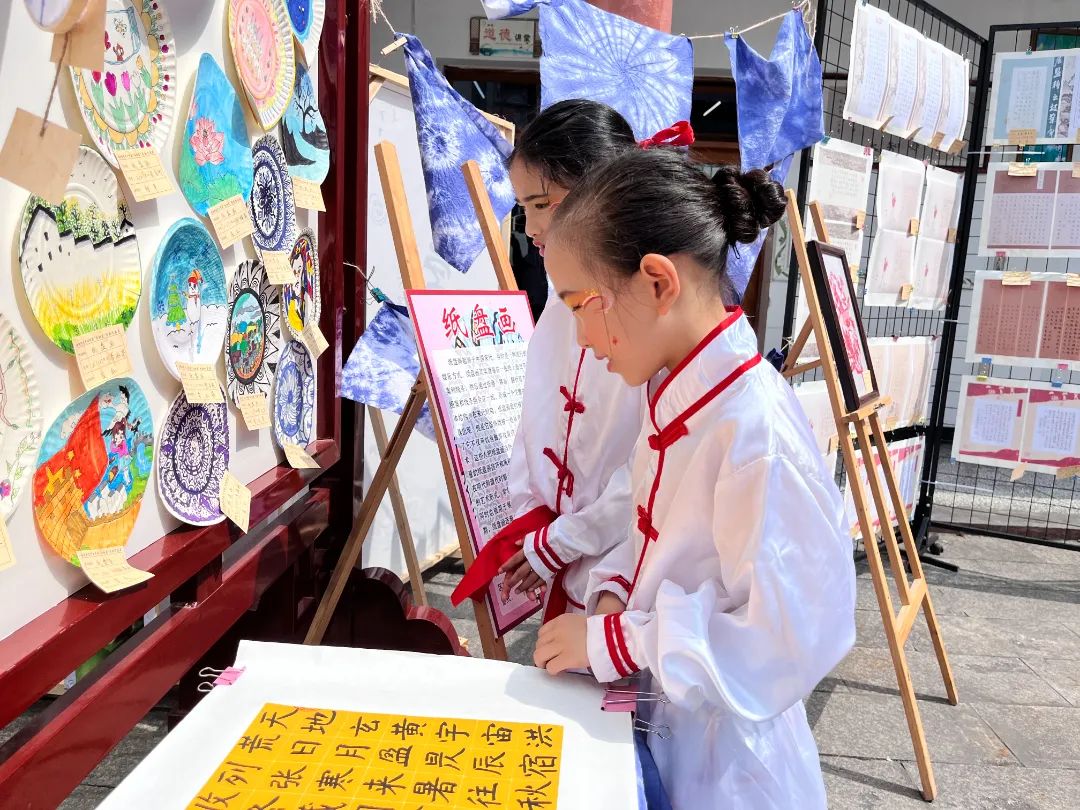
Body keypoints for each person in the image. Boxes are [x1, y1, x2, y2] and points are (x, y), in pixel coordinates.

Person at [532, 147, 857, 809]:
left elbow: (786, 634)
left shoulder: (751, 430)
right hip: (681, 727)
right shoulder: (685, 392)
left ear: (656, 283)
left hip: (731, 765)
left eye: (580, 303)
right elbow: (656, 535)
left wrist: (619, 638)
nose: (582, 337)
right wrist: (616, 595)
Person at [453, 100, 675, 623]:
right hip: (568, 552)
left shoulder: (655, 315)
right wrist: (536, 516)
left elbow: (655, 466)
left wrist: (566, 537)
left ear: (597, 194)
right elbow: (536, 418)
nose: (529, 227)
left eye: (541, 204)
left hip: (633, 573)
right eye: (523, 208)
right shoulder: (558, 297)